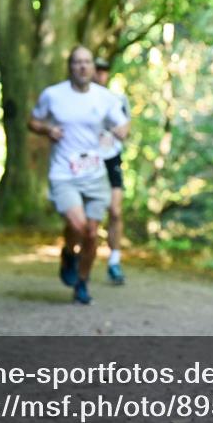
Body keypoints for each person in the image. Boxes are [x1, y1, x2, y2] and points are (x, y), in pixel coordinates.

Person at [28, 46, 130, 305]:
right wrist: (47, 129)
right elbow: (33, 121)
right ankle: (68, 254)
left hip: (95, 174)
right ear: (70, 67)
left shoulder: (105, 97)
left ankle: (82, 283)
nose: (83, 67)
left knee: (92, 234)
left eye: (87, 62)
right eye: (77, 62)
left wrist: (121, 130)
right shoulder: (53, 95)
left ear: (93, 68)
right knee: (79, 226)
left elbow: (123, 122)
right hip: (64, 173)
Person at [94, 57, 131, 285]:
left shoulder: (118, 99)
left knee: (115, 211)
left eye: (104, 70)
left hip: (111, 159)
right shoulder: (79, 100)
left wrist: (118, 130)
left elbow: (126, 128)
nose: (100, 74)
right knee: (89, 214)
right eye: (97, 70)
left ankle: (114, 261)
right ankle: (79, 256)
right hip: (86, 161)